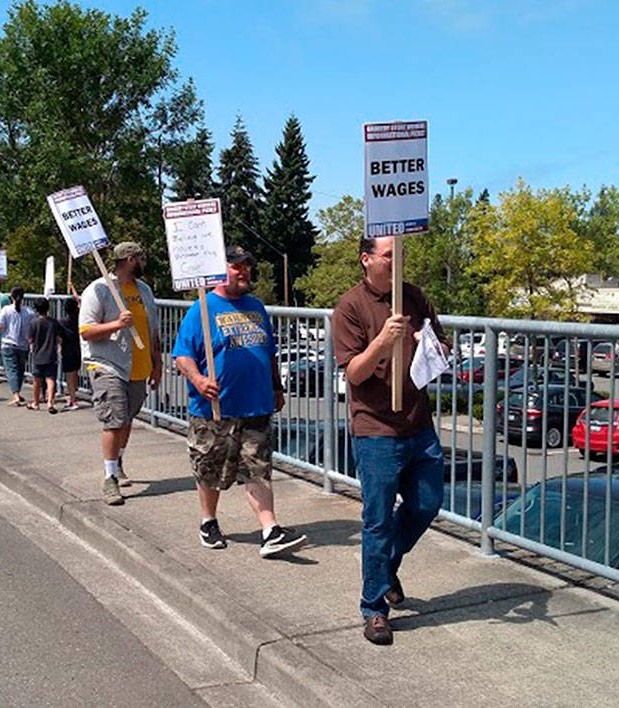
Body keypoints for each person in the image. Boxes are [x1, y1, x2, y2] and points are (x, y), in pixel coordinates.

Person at [332, 236, 447, 646]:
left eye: (401, 255)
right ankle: (374, 609)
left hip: (419, 425)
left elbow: (443, 350)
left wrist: (424, 343)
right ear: (367, 260)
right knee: (377, 520)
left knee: (427, 503)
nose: (397, 262)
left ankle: (385, 568)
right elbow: (354, 374)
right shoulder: (349, 307)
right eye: (388, 255)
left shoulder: (413, 297)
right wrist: (383, 340)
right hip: (376, 429)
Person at [172, 246, 308, 557]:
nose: (243, 271)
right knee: (209, 468)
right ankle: (208, 522)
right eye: (236, 266)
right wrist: (198, 380)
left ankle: (270, 530)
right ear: (220, 270)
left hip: (255, 404)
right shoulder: (202, 309)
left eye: (247, 266)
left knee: (258, 469)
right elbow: (183, 355)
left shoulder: (256, 307)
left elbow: (270, 352)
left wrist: (276, 386)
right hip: (215, 409)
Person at [79, 241, 161, 506]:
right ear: (128, 259)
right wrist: (117, 324)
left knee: (126, 419)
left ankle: (118, 459)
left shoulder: (145, 290)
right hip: (107, 363)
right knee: (113, 420)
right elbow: (86, 331)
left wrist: (156, 364)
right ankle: (109, 478)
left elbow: (153, 331)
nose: (143, 262)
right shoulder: (100, 289)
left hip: (138, 366)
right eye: (140, 257)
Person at [0, 286, 33, 407]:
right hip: (23, 344)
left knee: (11, 369)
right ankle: (18, 391)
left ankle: (15, 394)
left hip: (8, 343)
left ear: (11, 296)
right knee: (20, 370)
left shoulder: (6, 310)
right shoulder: (29, 312)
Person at [27, 297, 63, 412]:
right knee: (50, 379)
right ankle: (50, 403)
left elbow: (30, 339)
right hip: (51, 354)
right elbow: (59, 338)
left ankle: (36, 403)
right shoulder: (53, 322)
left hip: (38, 354)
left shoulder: (34, 322)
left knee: (37, 380)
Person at [59, 294, 83, 410]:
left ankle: (72, 399)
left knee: (69, 375)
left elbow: (59, 337)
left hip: (67, 350)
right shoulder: (81, 318)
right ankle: (74, 394)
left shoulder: (63, 322)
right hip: (79, 348)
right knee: (75, 372)